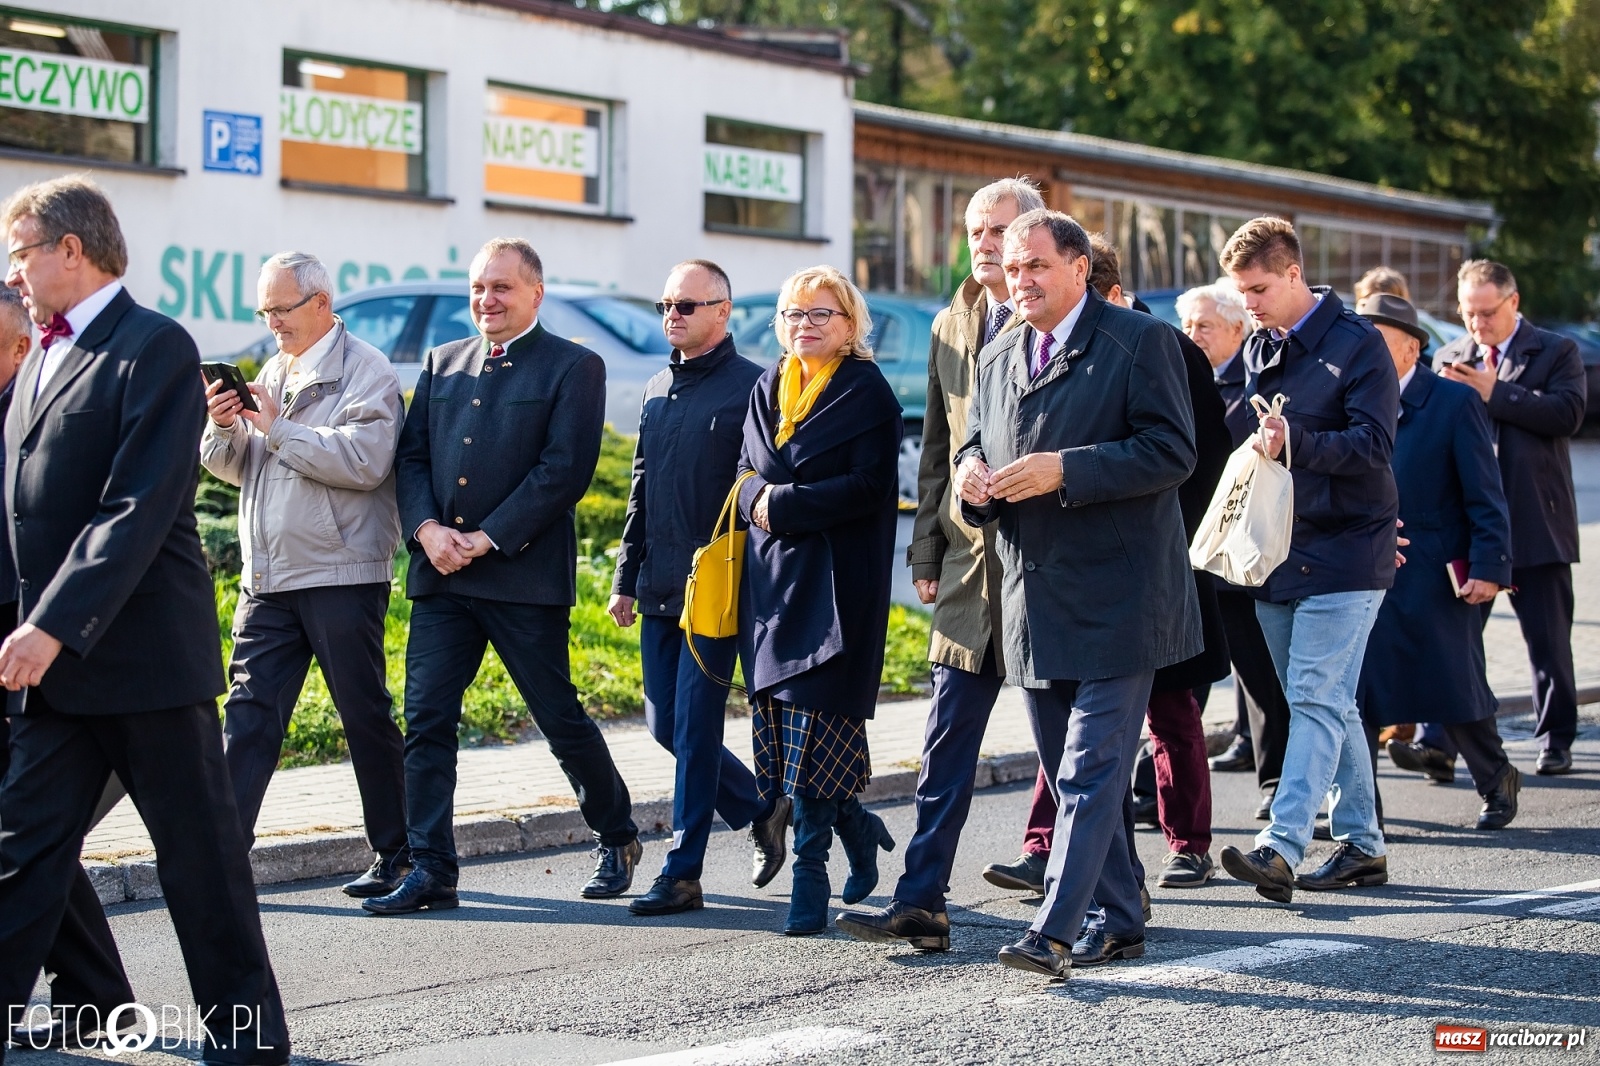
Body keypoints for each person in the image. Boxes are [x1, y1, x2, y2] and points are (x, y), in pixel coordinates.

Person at [0, 175, 288, 1064]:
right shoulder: (43, 354)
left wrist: (51, 622)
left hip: (145, 662)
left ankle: (246, 1036)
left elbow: (136, 504)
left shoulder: (153, 346)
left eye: (20, 253)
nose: (13, 275)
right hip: (59, 667)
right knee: (20, 849)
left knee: (199, 863)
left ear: (70, 251)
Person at [956, 209, 1200, 978]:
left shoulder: (1141, 341)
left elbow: (1173, 450)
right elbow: (975, 440)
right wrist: (969, 477)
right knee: (1071, 772)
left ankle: (1056, 929)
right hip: (1033, 594)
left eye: (1034, 266)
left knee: (1091, 773)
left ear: (1079, 269)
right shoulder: (997, 353)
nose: (1018, 279)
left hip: (1124, 595)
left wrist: (1070, 468)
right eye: (1010, 265)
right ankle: (1123, 919)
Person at [368, 238, 640, 916]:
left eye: (502, 288)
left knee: (557, 717)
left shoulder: (574, 366)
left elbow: (564, 469)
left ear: (535, 294)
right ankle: (432, 867)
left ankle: (617, 833)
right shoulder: (443, 361)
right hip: (441, 575)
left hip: (520, 575)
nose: (487, 300)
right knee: (427, 718)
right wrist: (428, 530)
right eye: (479, 288)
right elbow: (412, 460)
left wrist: (486, 538)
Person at [832, 178, 1041, 953]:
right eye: (974, 230)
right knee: (945, 740)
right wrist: (926, 547)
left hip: (1047, 566)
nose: (984, 243)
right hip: (966, 570)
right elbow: (934, 451)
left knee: (1068, 751)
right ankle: (922, 899)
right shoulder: (954, 320)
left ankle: (1114, 896)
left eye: (999, 230)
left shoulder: (1063, 318)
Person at [201, 251, 409, 900]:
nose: (271, 323)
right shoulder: (274, 368)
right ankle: (223, 860)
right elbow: (243, 469)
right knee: (249, 715)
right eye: (263, 311)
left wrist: (278, 427)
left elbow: (366, 461)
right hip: (268, 578)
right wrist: (222, 426)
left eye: (280, 310)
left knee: (363, 713)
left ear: (321, 303)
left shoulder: (367, 372)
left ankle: (397, 853)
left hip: (340, 572)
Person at [1215, 216, 1398, 906]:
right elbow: (1233, 423)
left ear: (1294, 274)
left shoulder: (1359, 346)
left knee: (1318, 698)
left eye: (1259, 288)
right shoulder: (1260, 343)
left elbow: (1374, 447)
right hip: (1277, 548)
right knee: (1322, 699)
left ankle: (1281, 845)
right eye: (1242, 292)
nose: (1250, 304)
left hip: (1351, 548)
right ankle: (1364, 844)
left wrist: (1295, 441)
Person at [607, 260, 788, 917]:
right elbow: (641, 489)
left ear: (723, 311)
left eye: (687, 305)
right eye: (666, 304)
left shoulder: (755, 388)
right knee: (666, 726)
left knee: (696, 726)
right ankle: (760, 809)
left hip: (720, 591)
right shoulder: (657, 387)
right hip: (659, 588)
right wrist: (626, 577)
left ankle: (683, 871)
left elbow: (768, 492)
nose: (672, 315)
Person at [735, 265, 902, 936]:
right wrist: (759, 501)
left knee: (821, 732)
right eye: (793, 315)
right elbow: (742, 473)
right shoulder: (766, 385)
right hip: (773, 580)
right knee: (783, 737)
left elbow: (869, 486)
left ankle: (811, 877)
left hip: (838, 585)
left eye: (819, 314)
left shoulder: (867, 391)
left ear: (850, 324)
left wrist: (785, 504)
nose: (804, 325)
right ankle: (858, 829)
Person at [0, 286, 135, 1053]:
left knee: (27, 841)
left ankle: (98, 1003)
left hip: (59, 666)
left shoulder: (48, 418)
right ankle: (99, 1002)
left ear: (23, 349)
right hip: (27, 668)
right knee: (30, 842)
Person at [1353, 294, 1520, 830]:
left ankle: (1496, 778)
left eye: (1377, 342)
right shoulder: (1353, 401)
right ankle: (1361, 813)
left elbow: (1485, 494)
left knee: (1456, 687)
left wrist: (1491, 565)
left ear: (1410, 348)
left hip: (1434, 566)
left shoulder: (1452, 402)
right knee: (1362, 694)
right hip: (1366, 566)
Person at [1433, 260, 1586, 777]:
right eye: (1468, 313)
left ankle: (1556, 737)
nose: (1477, 325)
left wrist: (1496, 393)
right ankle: (1444, 744)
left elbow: (1567, 414)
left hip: (1535, 521)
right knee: (1455, 640)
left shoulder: (1555, 350)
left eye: (1487, 313)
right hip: (1472, 528)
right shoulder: (1451, 356)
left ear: (1513, 303)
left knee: (1547, 643)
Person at [1181, 281, 1295, 816]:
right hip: (1193, 547)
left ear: (1236, 330)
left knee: (1259, 671)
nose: (1193, 335)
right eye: (1187, 325)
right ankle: (1151, 784)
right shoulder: (1177, 375)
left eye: (1205, 326)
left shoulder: (1246, 387)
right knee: (1186, 672)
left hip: (1241, 549)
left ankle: (1275, 782)